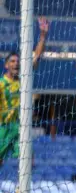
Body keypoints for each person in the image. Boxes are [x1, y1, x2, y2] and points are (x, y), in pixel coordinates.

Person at [0, 17, 50, 167]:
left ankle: (19, 191)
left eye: (18, 61)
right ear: (6, 65)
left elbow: (37, 57)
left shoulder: (24, 78)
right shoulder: (1, 84)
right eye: (12, 61)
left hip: (20, 127)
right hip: (3, 127)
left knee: (29, 162)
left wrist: (43, 35)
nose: (16, 64)